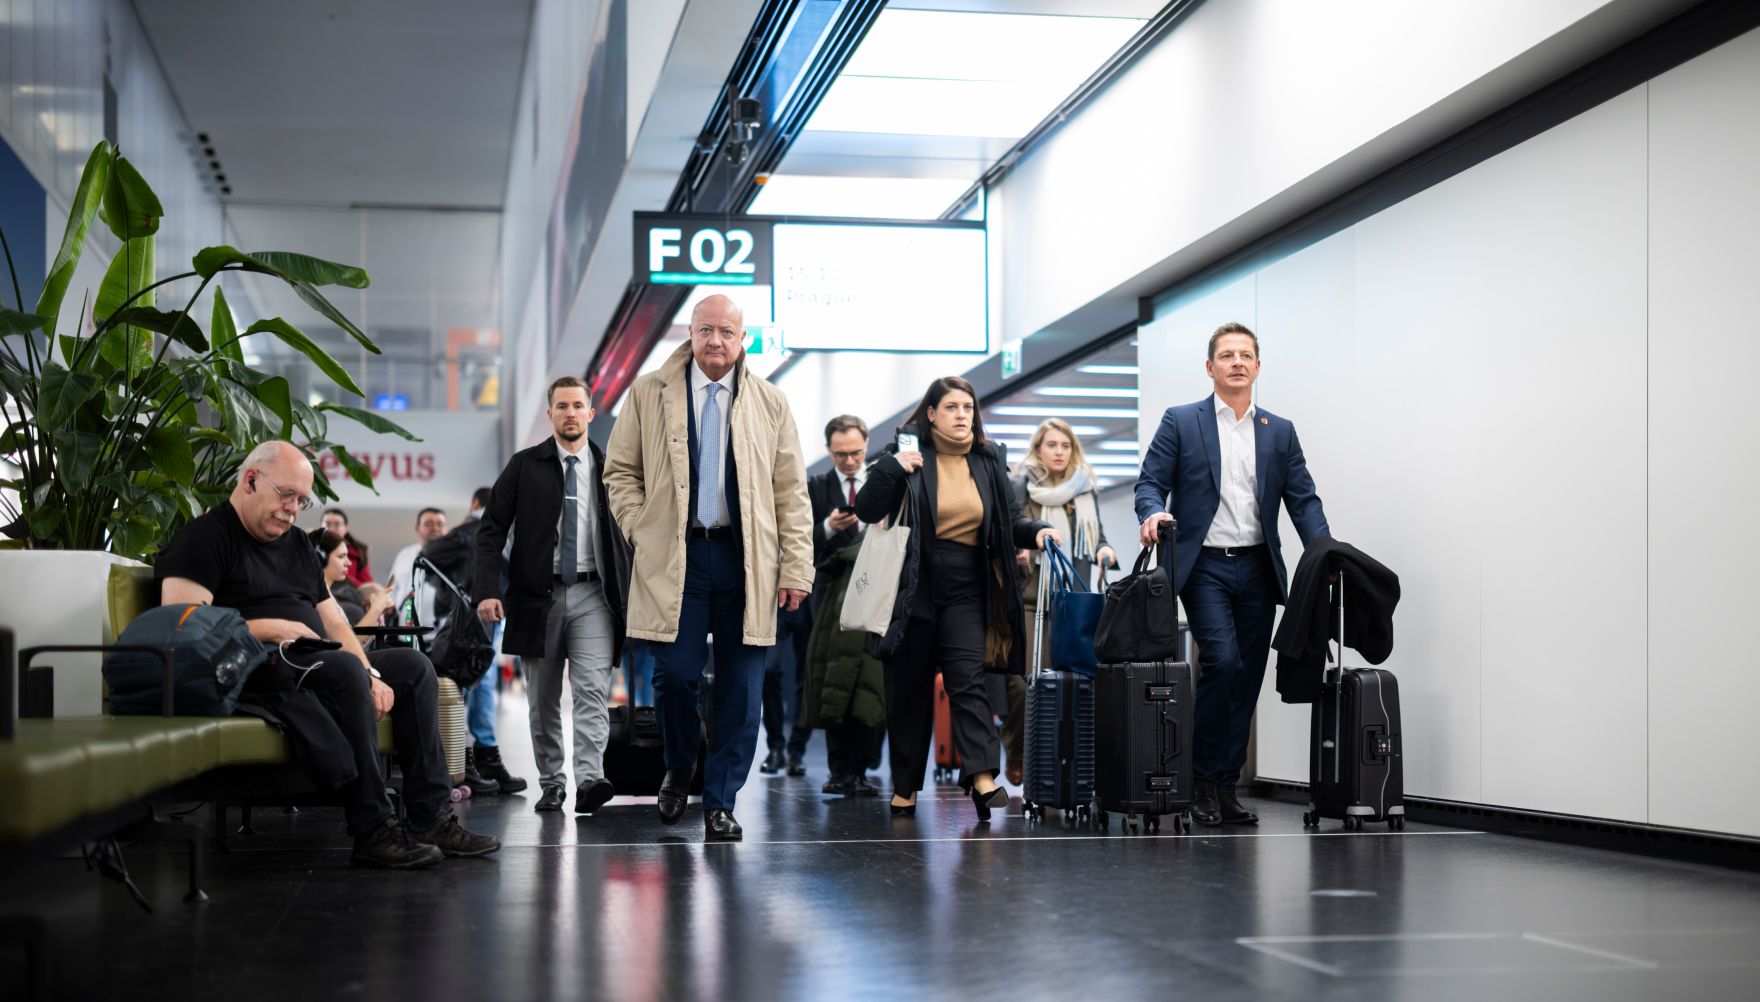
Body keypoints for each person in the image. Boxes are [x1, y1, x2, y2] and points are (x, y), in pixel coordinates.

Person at [156, 441, 499, 868]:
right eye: (286, 495)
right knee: (342, 669)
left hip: (313, 656)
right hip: (253, 664)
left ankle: (430, 818)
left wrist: (371, 671)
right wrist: (270, 629)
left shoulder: (298, 545)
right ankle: (373, 828)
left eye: (301, 501)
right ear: (250, 480)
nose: (292, 510)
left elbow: (334, 621)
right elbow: (182, 620)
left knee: (413, 667)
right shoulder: (206, 537)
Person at [603, 294, 814, 843]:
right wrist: (640, 527)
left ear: (743, 339)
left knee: (742, 690)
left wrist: (797, 568)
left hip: (749, 560)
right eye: (705, 330)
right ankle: (679, 764)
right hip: (680, 556)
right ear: (690, 334)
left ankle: (721, 801)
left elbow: (791, 493)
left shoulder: (771, 402)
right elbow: (619, 471)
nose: (715, 340)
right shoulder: (648, 393)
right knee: (674, 675)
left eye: (726, 331)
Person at [1135, 322, 1330, 827]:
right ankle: (1200, 780)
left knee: (1247, 678)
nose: (1237, 362)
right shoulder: (1182, 421)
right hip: (1204, 567)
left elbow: (1303, 499)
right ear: (1210, 367)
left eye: (1246, 355)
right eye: (1227, 355)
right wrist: (1152, 513)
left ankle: (1225, 786)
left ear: (1258, 367)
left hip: (1258, 567)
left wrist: (1324, 550)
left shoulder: (1279, 431)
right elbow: (1150, 482)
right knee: (1222, 662)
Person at [854, 377, 1056, 821]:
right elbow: (866, 508)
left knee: (969, 680)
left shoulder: (987, 460)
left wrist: (1038, 532)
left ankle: (982, 777)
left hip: (968, 584)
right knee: (908, 690)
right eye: (951, 407)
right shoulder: (907, 455)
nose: (962, 414)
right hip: (913, 583)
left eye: (968, 407)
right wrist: (892, 467)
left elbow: (1010, 521)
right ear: (931, 414)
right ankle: (905, 785)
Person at [476, 378, 628, 814]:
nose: (570, 413)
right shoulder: (524, 466)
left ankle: (589, 778)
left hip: (595, 595)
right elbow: (490, 531)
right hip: (537, 598)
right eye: (562, 406)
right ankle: (553, 783)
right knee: (542, 699)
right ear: (550, 414)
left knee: (592, 690)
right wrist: (486, 590)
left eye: (578, 405)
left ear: (591, 413)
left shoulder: (610, 468)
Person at [1002, 418, 1118, 784]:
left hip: (1071, 604)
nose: (1059, 452)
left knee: (1071, 684)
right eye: (1051, 445)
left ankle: (1060, 763)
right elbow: (1010, 529)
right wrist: (1018, 550)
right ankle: (1018, 751)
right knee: (1024, 683)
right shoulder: (1020, 485)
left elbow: (1097, 537)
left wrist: (1105, 550)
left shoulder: (1084, 491)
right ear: (1038, 449)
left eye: (1065, 446)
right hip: (1029, 597)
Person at [424, 486, 529, 797]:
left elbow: (428, 557)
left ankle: (480, 757)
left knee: (479, 684)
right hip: (472, 619)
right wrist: (456, 595)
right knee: (474, 685)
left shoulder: (486, 532)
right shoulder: (474, 531)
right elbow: (427, 557)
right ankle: (473, 758)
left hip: (481, 618)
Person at [801, 414, 882, 796]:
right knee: (832, 677)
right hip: (831, 592)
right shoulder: (816, 487)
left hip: (875, 590)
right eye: (840, 455)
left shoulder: (882, 483)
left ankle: (862, 766)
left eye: (856, 453)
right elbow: (799, 543)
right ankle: (839, 770)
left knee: (871, 679)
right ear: (828, 451)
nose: (849, 461)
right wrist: (828, 528)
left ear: (866, 446)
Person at [308, 528, 391, 628]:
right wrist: (376, 608)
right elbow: (344, 638)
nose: (349, 563)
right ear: (320, 558)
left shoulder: (326, 595)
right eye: (341, 556)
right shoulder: (317, 598)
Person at [386, 507, 448, 628]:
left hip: (443, 633)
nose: (435, 528)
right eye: (429, 524)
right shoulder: (404, 554)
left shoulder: (456, 557)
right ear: (417, 528)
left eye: (440, 524)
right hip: (405, 631)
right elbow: (391, 589)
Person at [320, 507, 374, 586]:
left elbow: (367, 584)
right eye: (327, 524)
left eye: (337, 525)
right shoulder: (310, 548)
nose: (331, 529)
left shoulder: (358, 552)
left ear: (345, 528)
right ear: (321, 526)